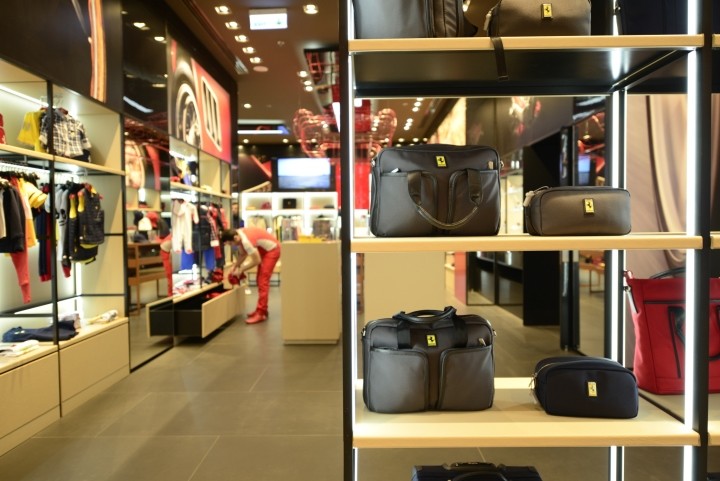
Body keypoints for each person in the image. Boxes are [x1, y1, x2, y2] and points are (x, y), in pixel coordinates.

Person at [220, 227, 281, 324]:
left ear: (235, 238)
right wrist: (235, 266)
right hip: (264, 250)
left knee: (262, 281)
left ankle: (261, 313)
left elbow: (257, 260)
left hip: (272, 250)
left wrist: (241, 269)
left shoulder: (246, 241)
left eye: (231, 244)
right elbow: (243, 254)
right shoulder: (239, 235)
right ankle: (262, 310)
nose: (232, 246)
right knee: (259, 280)